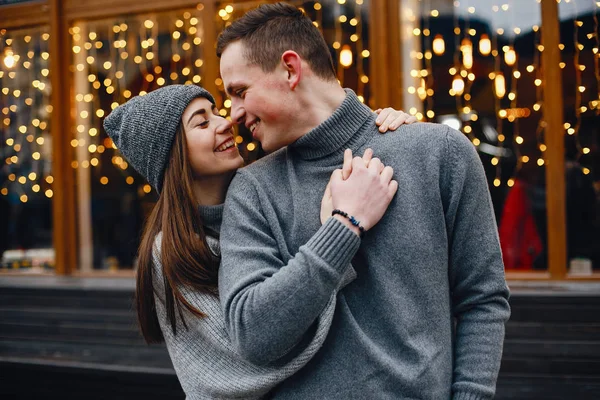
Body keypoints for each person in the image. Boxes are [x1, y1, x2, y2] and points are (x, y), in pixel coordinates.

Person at [216, 3, 511, 399]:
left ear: (290, 69)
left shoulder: (438, 153)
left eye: (239, 92)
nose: (232, 114)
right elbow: (253, 337)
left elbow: (482, 301)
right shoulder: (252, 189)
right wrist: (342, 228)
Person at [103, 84, 414, 398]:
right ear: (171, 155)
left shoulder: (271, 191)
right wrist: (337, 232)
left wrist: (382, 133)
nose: (225, 122)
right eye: (202, 122)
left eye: (216, 113)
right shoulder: (171, 252)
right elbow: (251, 357)